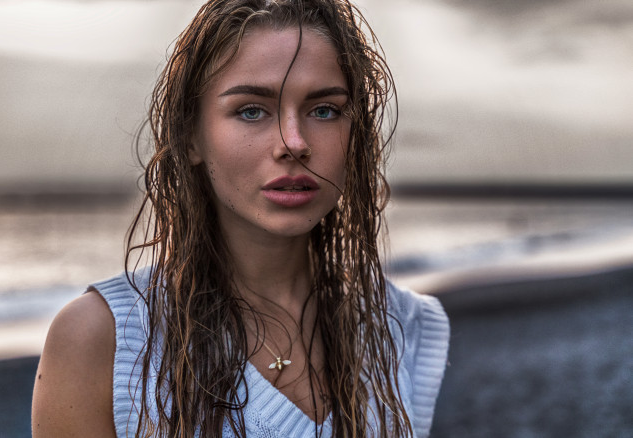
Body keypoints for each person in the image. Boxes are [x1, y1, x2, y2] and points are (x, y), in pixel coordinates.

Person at [31, 0, 449, 436]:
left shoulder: (403, 328)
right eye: (252, 110)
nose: (293, 143)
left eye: (324, 110)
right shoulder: (105, 339)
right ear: (192, 137)